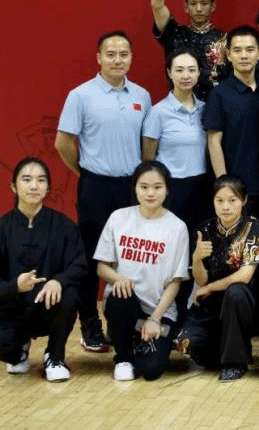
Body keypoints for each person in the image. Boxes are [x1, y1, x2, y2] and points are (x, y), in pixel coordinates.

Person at [55, 30, 152, 353]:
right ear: (98, 58)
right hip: (95, 186)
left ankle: (124, 324)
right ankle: (89, 324)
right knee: (91, 258)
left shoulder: (142, 96)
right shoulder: (80, 95)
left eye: (124, 54)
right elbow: (63, 143)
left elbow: (146, 144)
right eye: (110, 54)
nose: (117, 60)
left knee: (131, 257)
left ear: (131, 58)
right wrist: (84, 173)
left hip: (131, 189)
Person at [0, 157, 88, 382]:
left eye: (41, 180)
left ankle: (55, 356)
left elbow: (79, 265)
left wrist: (58, 281)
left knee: (70, 295)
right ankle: (18, 350)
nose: (34, 186)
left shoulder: (64, 226)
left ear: (48, 187)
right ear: (13, 186)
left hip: (48, 306)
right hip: (11, 307)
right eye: (26, 180)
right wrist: (14, 286)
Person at [94, 161, 189, 381]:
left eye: (157, 187)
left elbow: (175, 281)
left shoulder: (177, 227)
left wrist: (155, 318)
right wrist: (118, 278)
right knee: (121, 296)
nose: (150, 193)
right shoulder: (118, 218)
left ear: (167, 189)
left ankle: (136, 337)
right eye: (144, 187)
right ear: (135, 188)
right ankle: (123, 357)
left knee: (151, 370)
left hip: (159, 310)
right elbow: (101, 267)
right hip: (124, 305)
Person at [173, 175, 259, 381]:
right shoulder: (203, 229)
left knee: (236, 292)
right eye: (220, 200)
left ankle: (235, 363)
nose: (226, 206)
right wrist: (197, 259)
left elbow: (245, 276)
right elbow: (201, 280)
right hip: (211, 305)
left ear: (244, 200)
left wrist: (210, 288)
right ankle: (225, 350)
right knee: (185, 343)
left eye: (232, 200)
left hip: (244, 302)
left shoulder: (255, 228)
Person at [204, 26, 259, 224]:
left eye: (250, 50)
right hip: (235, 191)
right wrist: (225, 187)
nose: (244, 56)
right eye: (237, 50)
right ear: (228, 54)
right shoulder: (219, 94)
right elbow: (213, 142)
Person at [143, 48, 210, 233]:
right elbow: (148, 158)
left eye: (191, 70)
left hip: (202, 185)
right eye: (179, 70)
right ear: (169, 73)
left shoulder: (205, 109)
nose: (185, 76)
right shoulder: (158, 112)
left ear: (199, 72)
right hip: (173, 187)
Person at [151, 0, 224, 100]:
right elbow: (157, 4)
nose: (199, 9)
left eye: (204, 3)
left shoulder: (225, 39)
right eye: (193, 4)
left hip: (216, 108)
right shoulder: (174, 34)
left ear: (213, 6)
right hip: (179, 106)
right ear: (186, 7)